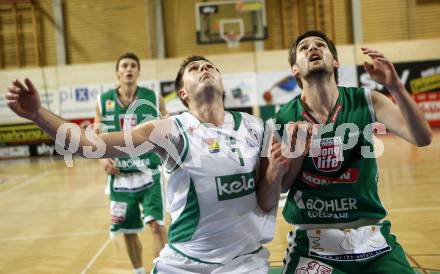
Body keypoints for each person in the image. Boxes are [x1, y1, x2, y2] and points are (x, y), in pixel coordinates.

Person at [5, 55, 275, 274]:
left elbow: (273, 191)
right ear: (183, 93)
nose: (203, 68)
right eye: (194, 68)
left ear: (223, 84)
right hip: (186, 264)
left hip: (245, 262)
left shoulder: (255, 127)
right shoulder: (171, 130)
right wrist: (37, 113)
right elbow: (86, 145)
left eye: (210, 66)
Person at [258, 30, 432, 274]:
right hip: (313, 244)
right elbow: (275, 192)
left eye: (320, 45)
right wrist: (294, 155)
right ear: (295, 69)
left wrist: (394, 85)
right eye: (303, 48)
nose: (312, 49)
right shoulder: (280, 121)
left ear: (336, 61)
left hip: (373, 240)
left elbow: (422, 138)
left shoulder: (368, 100)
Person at [94, 52, 167, 274]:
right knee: (128, 230)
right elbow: (95, 136)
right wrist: (102, 158)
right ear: (118, 72)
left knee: (157, 226)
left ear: (138, 72)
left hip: (149, 172)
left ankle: (160, 271)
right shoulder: (102, 101)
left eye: (133, 66)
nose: (129, 69)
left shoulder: (153, 98)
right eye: (124, 65)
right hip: (120, 177)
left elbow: (168, 127)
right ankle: (138, 272)